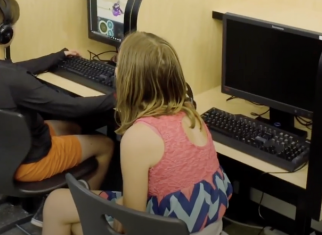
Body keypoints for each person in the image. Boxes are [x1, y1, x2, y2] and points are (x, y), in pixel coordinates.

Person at [42, 32, 233, 235]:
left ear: (128, 79)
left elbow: (131, 223)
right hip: (207, 226)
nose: (115, 72)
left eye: (118, 66)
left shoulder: (140, 137)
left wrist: (110, 217)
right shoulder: (193, 116)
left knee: (57, 207)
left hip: (166, 228)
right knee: (65, 210)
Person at [0, 0, 116, 228]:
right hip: (30, 162)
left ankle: (56, 200)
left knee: (72, 128)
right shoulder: (13, 80)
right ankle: (78, 212)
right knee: (106, 144)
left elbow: (18, 69)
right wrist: (118, 96)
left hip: (1, 153)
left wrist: (58, 57)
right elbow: (71, 107)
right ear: (4, 32)